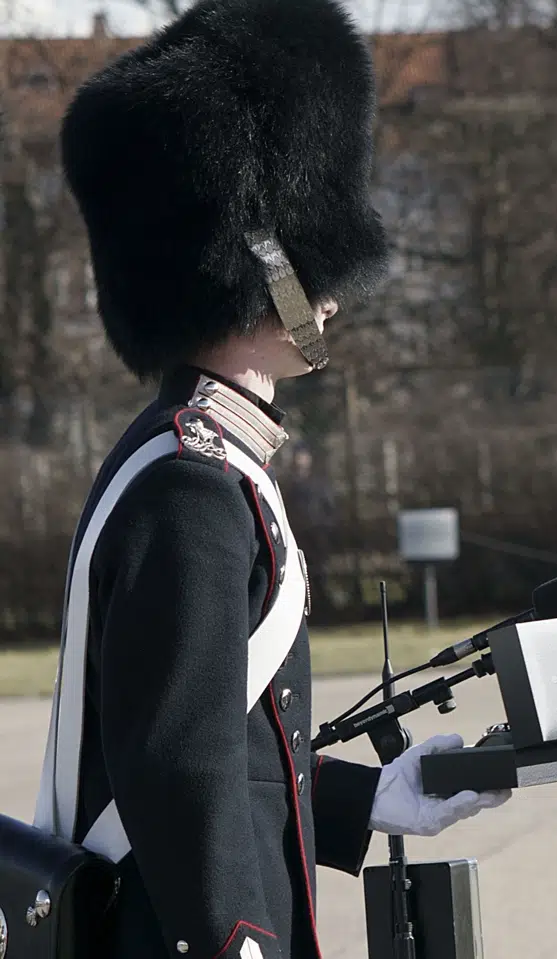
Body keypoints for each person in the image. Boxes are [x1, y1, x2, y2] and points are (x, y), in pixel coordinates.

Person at [29, 3, 508, 958]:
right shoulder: (191, 488)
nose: (330, 288)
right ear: (258, 264)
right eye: (305, 256)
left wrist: (377, 796)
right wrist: (236, 940)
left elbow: (227, 744)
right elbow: (173, 763)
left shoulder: (196, 460)